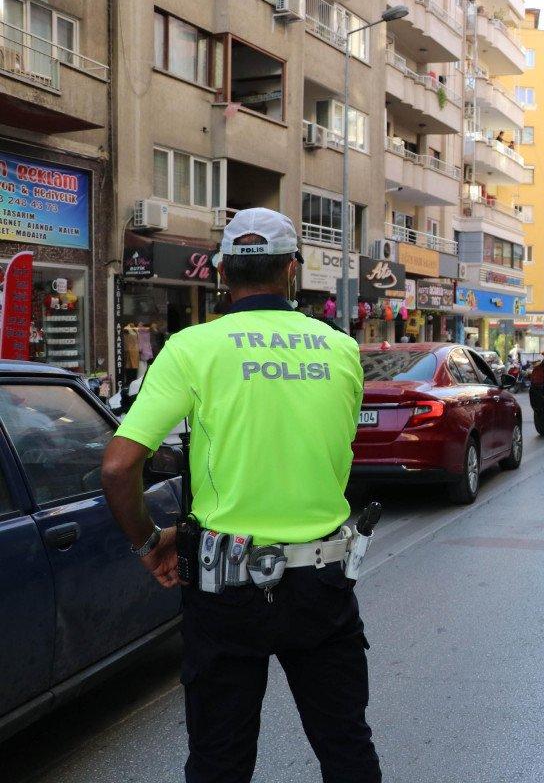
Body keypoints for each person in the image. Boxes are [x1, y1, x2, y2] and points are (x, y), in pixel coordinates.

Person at [99, 208, 381, 782]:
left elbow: (118, 466)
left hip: (223, 586)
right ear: (293, 270)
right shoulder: (340, 348)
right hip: (321, 583)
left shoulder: (191, 348)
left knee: (219, 760)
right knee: (345, 747)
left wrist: (150, 542)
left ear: (223, 270)